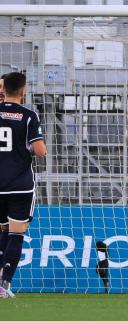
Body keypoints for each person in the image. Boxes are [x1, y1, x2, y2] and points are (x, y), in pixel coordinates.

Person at [0, 72, 47, 298]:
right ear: (23, 90)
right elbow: (40, 151)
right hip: (20, 184)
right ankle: (5, 284)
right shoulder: (28, 116)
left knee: (2, 232)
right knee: (16, 235)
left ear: (3, 89)